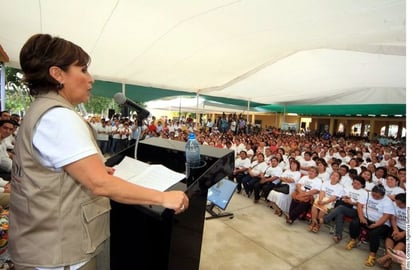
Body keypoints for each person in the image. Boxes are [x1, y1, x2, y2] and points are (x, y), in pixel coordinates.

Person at [9, 33, 189, 270]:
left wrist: (92, 170)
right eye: (83, 70)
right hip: (61, 255)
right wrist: (163, 197)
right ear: (57, 74)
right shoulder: (59, 117)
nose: (90, 79)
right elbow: (100, 185)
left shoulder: (42, 109)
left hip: (43, 245)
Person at [344, 184, 395, 267]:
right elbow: (359, 206)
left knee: (374, 233)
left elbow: (386, 216)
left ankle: (372, 254)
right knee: (354, 223)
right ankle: (353, 240)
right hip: (366, 218)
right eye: (373, 195)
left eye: (378, 196)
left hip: (381, 223)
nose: (375, 197)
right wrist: (361, 217)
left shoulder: (387, 201)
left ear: (383, 195)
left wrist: (376, 225)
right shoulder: (366, 194)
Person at [376, 193, 406, 269]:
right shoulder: (395, 204)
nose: (397, 205)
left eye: (399, 204)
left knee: (402, 242)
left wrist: (403, 233)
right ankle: (389, 260)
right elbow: (393, 218)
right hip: (397, 226)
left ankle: (386, 258)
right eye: (396, 203)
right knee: (390, 238)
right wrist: (395, 229)